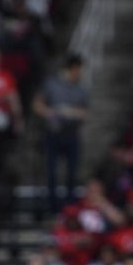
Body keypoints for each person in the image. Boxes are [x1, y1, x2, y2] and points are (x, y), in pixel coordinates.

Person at [33, 53, 89, 212]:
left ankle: (70, 208)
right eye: (79, 69)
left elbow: (85, 113)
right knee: (52, 173)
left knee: (72, 174)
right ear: (72, 68)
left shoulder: (81, 89)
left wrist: (72, 112)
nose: (80, 72)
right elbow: (37, 104)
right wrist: (50, 112)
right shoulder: (52, 85)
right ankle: (52, 207)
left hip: (72, 134)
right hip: (53, 134)